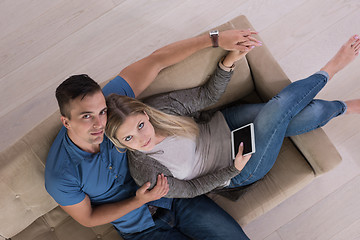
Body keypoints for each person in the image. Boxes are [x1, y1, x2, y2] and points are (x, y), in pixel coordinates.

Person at [45, 28, 261, 240]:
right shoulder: (61, 174)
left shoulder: (113, 106)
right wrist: (138, 201)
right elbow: (88, 218)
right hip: (141, 229)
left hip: (176, 197)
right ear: (66, 121)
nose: (99, 123)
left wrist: (216, 39)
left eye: (101, 112)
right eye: (86, 117)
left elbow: (157, 60)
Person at [105, 35, 360, 199]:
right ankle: (331, 69)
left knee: (304, 111)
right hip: (237, 169)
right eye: (129, 137)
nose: (142, 138)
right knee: (278, 109)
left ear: (145, 115)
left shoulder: (160, 108)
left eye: (140, 125)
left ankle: (344, 107)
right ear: (120, 142)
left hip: (226, 125)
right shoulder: (145, 171)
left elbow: (205, 95)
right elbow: (192, 189)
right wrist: (233, 168)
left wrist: (228, 62)